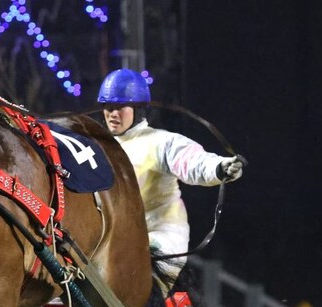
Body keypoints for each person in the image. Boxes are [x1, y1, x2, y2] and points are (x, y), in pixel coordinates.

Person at [97, 68, 244, 290]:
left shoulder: (160, 142)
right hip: (116, 238)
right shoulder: (98, 147)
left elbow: (192, 160)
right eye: (108, 107)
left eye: (120, 107)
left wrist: (219, 168)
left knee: (133, 278)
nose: (112, 114)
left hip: (161, 238)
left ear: (138, 109)